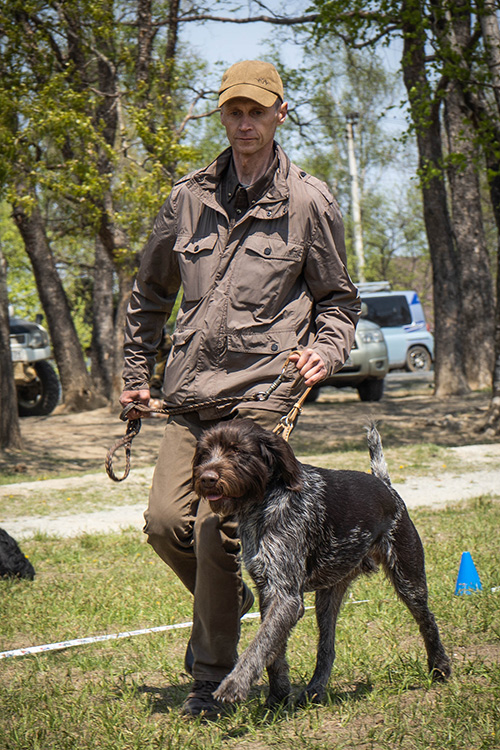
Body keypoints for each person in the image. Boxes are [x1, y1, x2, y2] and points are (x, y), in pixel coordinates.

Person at [120, 59, 360, 717]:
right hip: (191, 394)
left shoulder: (309, 201)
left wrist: (325, 349)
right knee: (168, 523)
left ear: (281, 113)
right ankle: (236, 598)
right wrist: (136, 379)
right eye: (235, 111)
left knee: (213, 532)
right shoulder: (186, 199)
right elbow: (149, 293)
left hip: (264, 393)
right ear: (222, 116)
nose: (246, 123)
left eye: (258, 110)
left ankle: (213, 682)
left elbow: (339, 301)